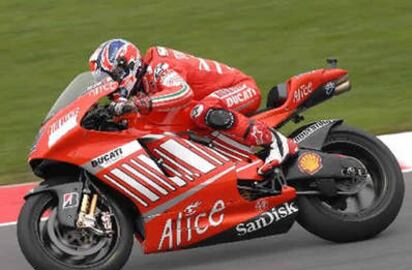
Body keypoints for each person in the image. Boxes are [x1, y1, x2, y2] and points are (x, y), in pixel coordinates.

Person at [88, 39, 297, 175]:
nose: (109, 84)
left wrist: (141, 104)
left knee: (202, 111)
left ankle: (276, 142)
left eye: (111, 76)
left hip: (240, 88)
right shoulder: (139, 84)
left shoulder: (159, 66)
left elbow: (182, 93)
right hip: (212, 99)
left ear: (127, 65)